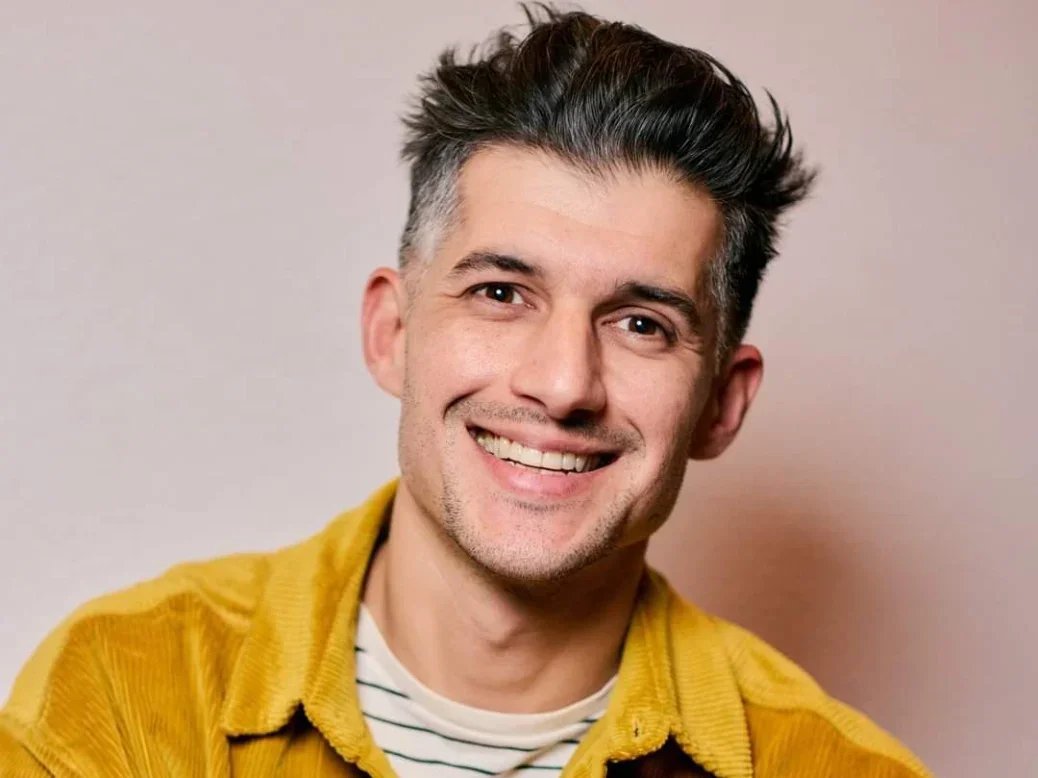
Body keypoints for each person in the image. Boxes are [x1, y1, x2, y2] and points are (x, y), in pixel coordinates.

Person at [1, 6, 931, 777]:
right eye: (500, 293)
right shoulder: (127, 688)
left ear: (722, 404)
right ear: (393, 333)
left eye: (642, 323)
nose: (563, 384)